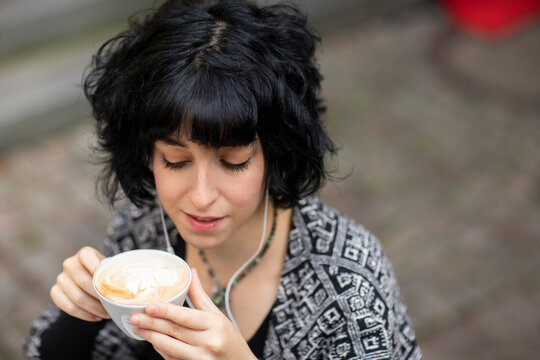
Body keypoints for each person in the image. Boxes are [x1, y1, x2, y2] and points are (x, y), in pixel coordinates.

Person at [24, 0, 421, 359]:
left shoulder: (348, 286)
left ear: (277, 151)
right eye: (175, 160)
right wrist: (77, 315)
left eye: (233, 162)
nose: (199, 197)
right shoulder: (145, 227)